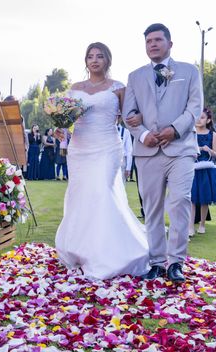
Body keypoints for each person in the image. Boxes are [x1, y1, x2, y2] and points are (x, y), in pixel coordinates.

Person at [56, 42, 149, 280]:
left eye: (99, 56)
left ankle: (109, 254)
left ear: (107, 60)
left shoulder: (118, 88)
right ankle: (81, 250)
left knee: (102, 192)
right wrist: (61, 130)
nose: (94, 60)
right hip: (80, 148)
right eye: (90, 56)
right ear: (85, 61)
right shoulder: (75, 88)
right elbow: (66, 120)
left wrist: (139, 118)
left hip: (107, 146)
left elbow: (130, 117)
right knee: (82, 195)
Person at [123, 23, 203, 283]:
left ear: (170, 43)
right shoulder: (135, 77)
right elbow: (129, 115)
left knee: (180, 200)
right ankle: (157, 262)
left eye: (158, 40)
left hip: (181, 149)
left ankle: (176, 262)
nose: (153, 45)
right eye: (148, 41)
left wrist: (174, 130)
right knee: (152, 208)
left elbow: (194, 108)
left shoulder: (190, 72)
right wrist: (144, 134)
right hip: (147, 152)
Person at [189, 108, 216, 236]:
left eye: (202, 117)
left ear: (208, 120)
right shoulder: (190, 132)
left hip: (207, 169)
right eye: (197, 117)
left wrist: (208, 150)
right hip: (192, 168)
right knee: (191, 198)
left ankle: (202, 224)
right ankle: (190, 226)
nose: (199, 120)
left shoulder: (212, 134)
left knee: (204, 198)